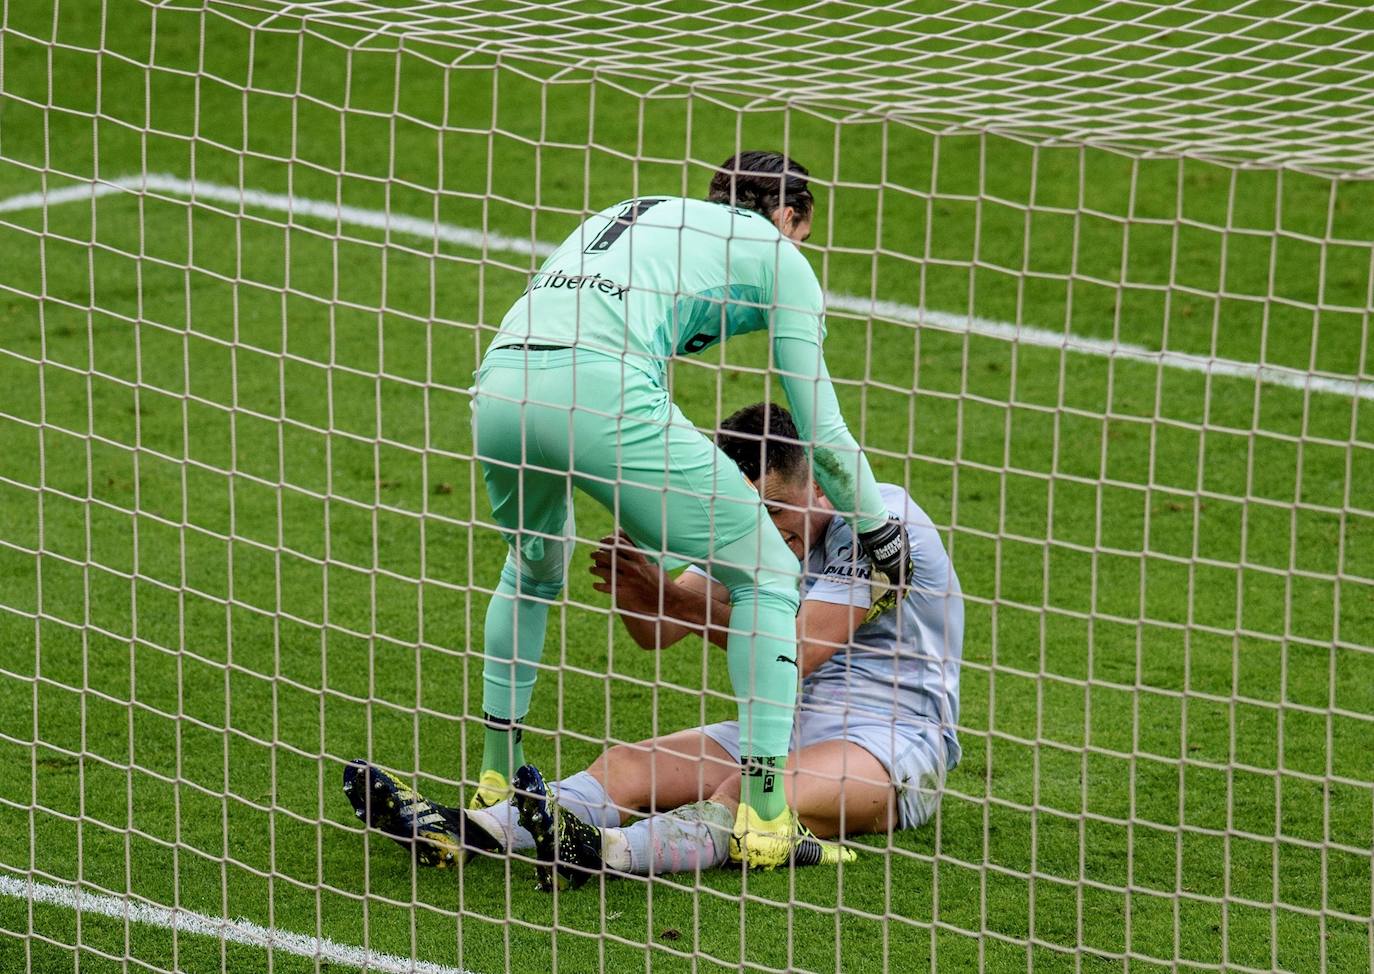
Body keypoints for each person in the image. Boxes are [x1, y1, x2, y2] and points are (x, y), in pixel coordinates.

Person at [461, 151, 913, 865]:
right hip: (599, 386)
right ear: (792, 216)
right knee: (765, 570)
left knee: (532, 566)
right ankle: (764, 819)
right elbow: (821, 435)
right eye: (802, 230)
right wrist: (883, 536)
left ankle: (494, 784)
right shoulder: (779, 254)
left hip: (499, 385)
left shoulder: (644, 214)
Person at [343, 403, 963, 891]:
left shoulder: (882, 527)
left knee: (750, 799)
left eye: (778, 516)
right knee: (626, 765)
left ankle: (606, 853)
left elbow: (794, 651)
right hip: (790, 723)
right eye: (754, 516)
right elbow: (655, 634)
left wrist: (676, 598)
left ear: (816, 489)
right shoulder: (751, 520)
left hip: (894, 742)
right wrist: (637, 588)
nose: (769, 535)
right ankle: (463, 832)